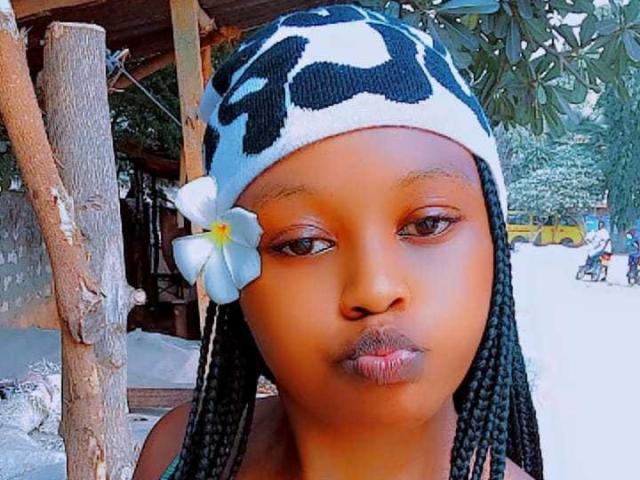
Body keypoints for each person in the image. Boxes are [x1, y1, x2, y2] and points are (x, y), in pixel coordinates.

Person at [133, 5, 543, 480]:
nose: (375, 289)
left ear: (494, 245)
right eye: (304, 244)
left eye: (429, 224)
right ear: (233, 275)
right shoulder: (175, 454)